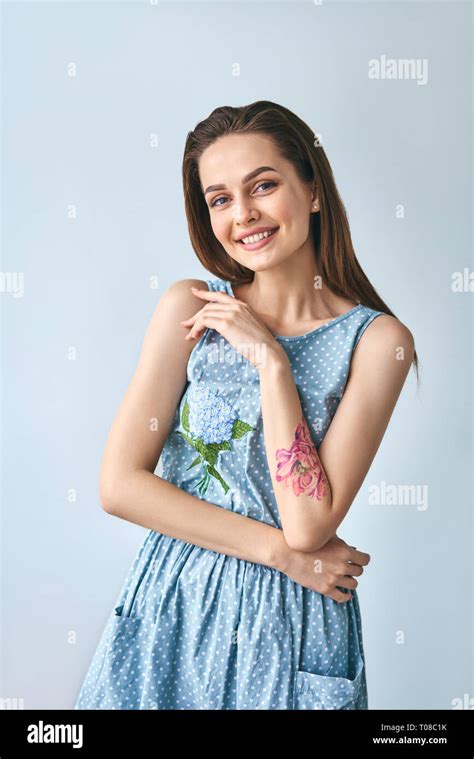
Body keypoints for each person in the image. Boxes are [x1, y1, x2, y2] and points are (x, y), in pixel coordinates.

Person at [74, 100, 418, 710]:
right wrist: (282, 555)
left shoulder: (378, 341)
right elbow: (119, 485)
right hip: (176, 601)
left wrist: (272, 364)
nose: (245, 215)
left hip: (292, 623)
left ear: (312, 190)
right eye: (220, 199)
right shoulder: (191, 309)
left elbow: (310, 523)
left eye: (263, 185)